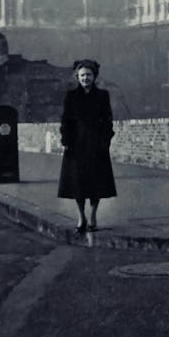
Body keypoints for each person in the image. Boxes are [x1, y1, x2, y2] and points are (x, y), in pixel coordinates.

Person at [57, 59, 116, 233]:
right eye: (82, 75)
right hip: (76, 146)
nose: (85, 78)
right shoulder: (71, 96)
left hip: (97, 146)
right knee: (77, 183)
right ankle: (81, 216)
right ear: (77, 77)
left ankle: (93, 215)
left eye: (88, 75)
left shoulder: (102, 95)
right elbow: (65, 121)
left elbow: (108, 121)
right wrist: (66, 140)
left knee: (96, 182)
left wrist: (105, 141)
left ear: (94, 76)